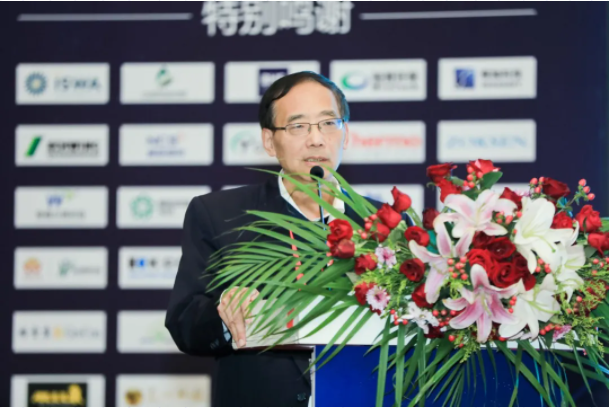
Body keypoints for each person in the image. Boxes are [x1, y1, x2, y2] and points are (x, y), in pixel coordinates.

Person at [165, 71, 395, 407]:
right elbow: (184, 322)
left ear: (345, 133)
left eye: (329, 123)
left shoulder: (386, 223)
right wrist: (225, 313)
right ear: (269, 141)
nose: (316, 139)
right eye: (298, 126)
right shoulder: (220, 215)